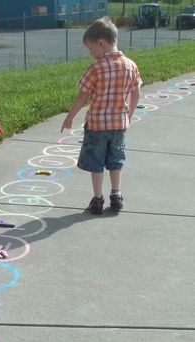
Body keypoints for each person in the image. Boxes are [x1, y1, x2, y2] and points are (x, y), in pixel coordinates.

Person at [61, 17, 141, 214]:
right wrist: (129, 114)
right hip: (119, 126)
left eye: (90, 49)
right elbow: (136, 92)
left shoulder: (96, 68)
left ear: (101, 43)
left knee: (96, 163)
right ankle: (116, 195)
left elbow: (83, 95)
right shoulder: (130, 65)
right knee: (116, 161)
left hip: (97, 126)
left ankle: (98, 199)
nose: (91, 54)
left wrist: (70, 117)